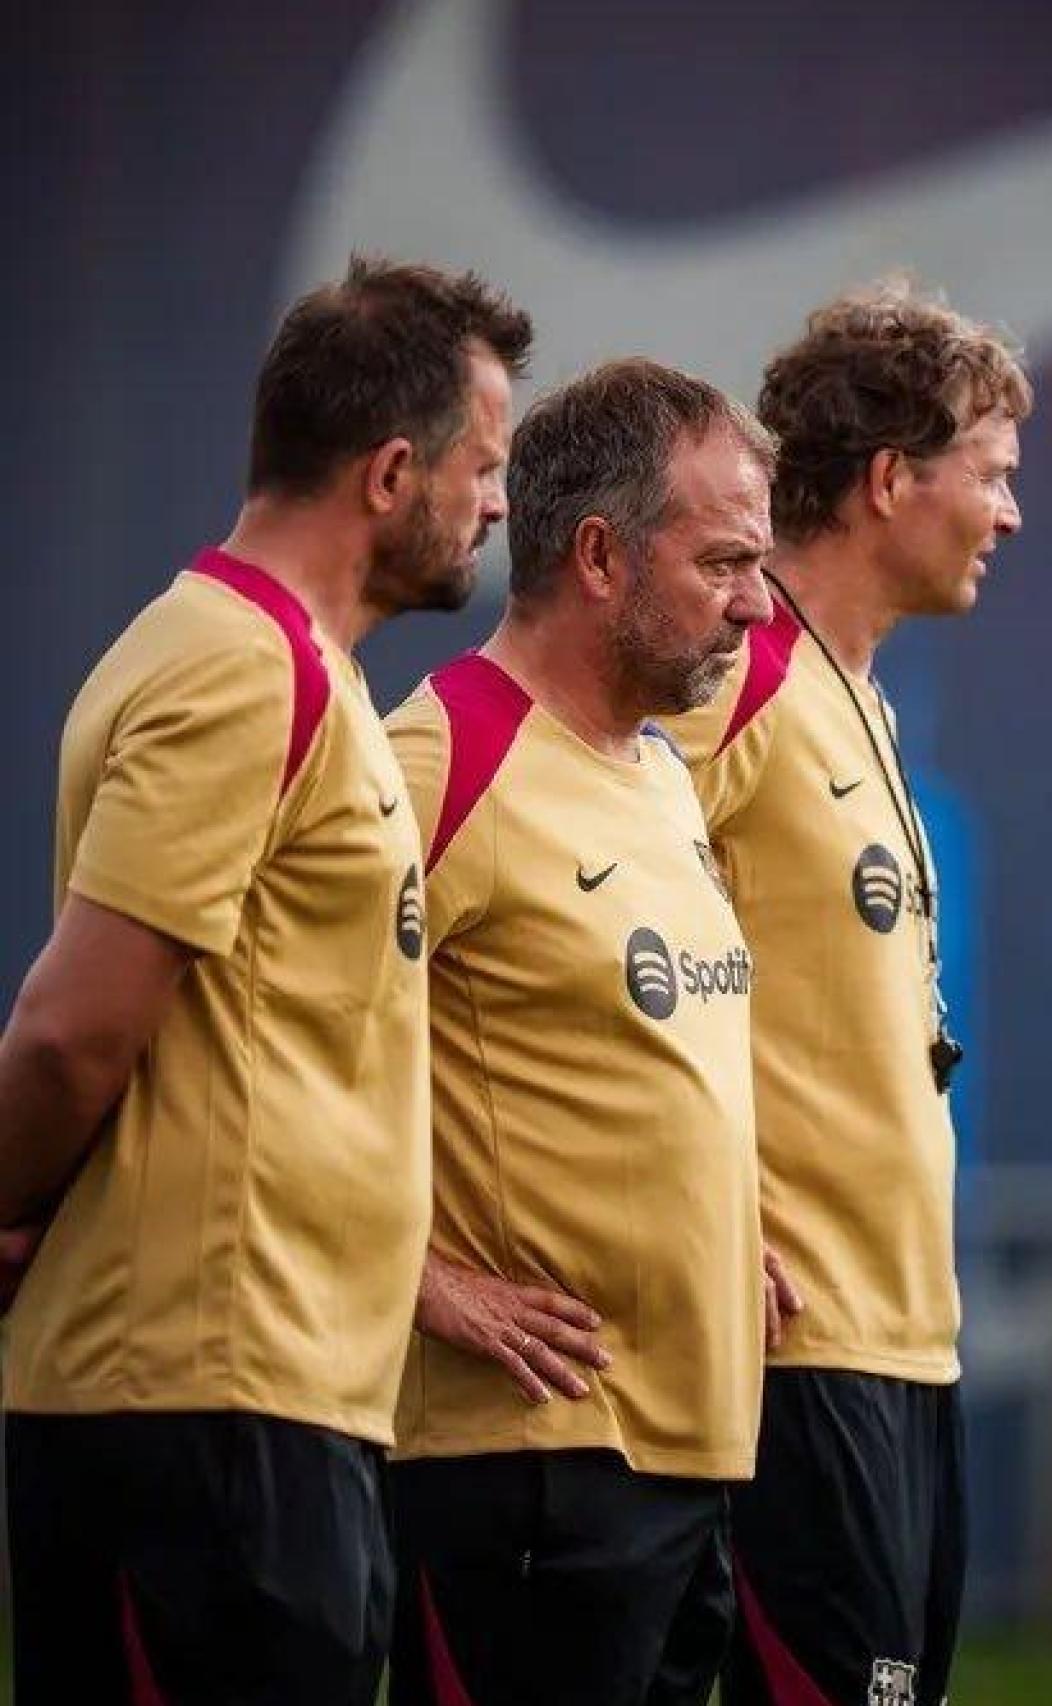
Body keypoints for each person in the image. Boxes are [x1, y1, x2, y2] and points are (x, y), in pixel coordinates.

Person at [0, 255, 531, 1705]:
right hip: (195, 1414)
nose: (497, 505)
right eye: (483, 467)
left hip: (281, 1413)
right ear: (391, 471)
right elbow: (69, 1030)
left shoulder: (313, 677)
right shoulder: (239, 669)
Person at [383, 359, 776, 1706]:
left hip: (694, 1452)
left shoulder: (663, 771)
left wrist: (727, 1227)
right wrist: (420, 1278)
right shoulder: (438, 756)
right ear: (599, 553)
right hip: (528, 1466)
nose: (753, 604)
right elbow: (235, 1039)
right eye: (724, 560)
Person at [665, 284, 1031, 1706]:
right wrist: (703, 1210)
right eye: (991, 476)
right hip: (797, 1350)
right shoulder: (735, 677)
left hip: (903, 1343)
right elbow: (559, 938)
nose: (1009, 515)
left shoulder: (858, 702)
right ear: (891, 480)